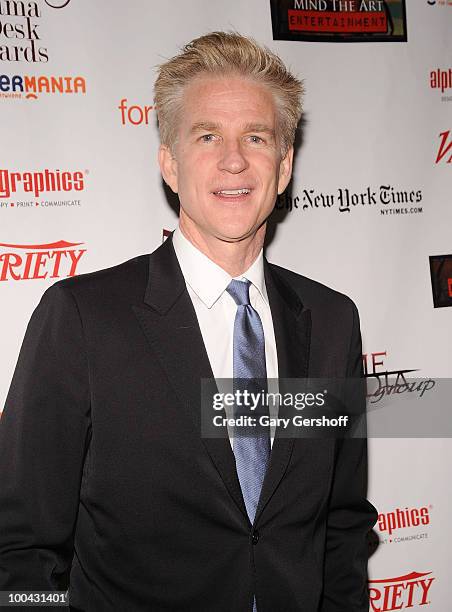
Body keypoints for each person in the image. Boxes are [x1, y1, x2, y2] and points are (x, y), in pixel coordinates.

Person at [0, 31, 377, 611]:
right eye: (208, 136)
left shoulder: (332, 321)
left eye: (256, 137)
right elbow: (21, 546)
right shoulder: (81, 318)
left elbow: (343, 524)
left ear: (284, 167)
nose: (233, 159)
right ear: (170, 165)